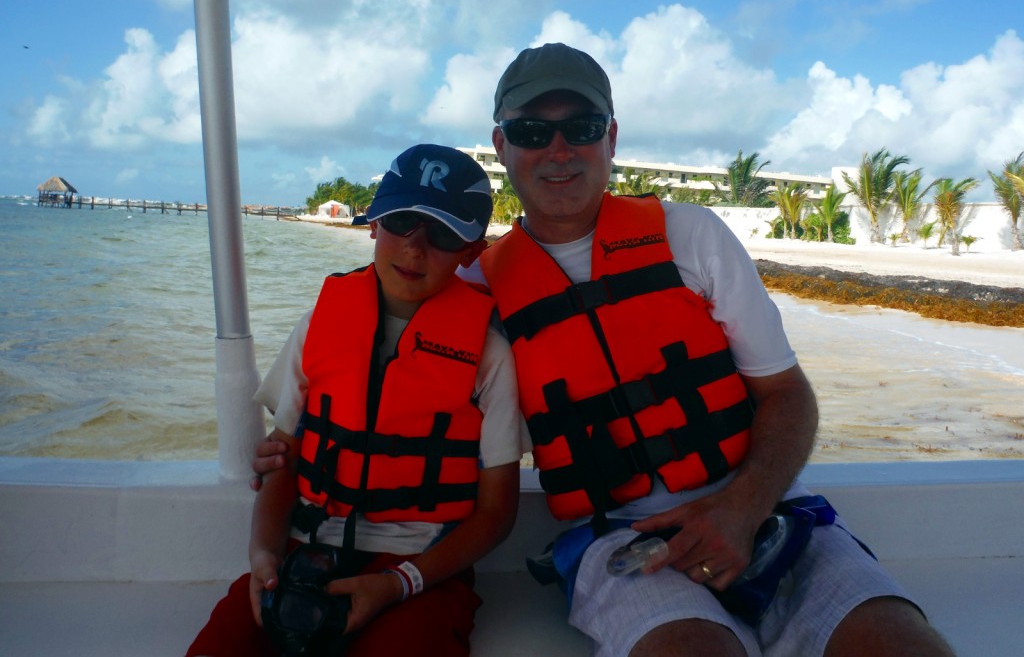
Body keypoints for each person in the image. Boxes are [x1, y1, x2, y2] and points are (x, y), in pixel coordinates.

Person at [255, 45, 955, 657]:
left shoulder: (693, 237)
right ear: (502, 146)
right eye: (533, 131)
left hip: (765, 510)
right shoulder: (471, 283)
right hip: (615, 539)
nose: (558, 151)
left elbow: (786, 395)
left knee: (899, 643)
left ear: (611, 136)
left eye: (580, 129)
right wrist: (287, 447)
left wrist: (740, 510)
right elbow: (373, 375)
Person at [188, 143, 522, 657]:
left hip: (421, 569)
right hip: (305, 550)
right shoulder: (322, 321)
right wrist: (263, 556)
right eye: (402, 222)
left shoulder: (490, 354)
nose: (415, 248)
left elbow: (496, 512)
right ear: (373, 223)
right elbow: (283, 459)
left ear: (472, 250)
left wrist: (399, 583)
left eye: (443, 233)